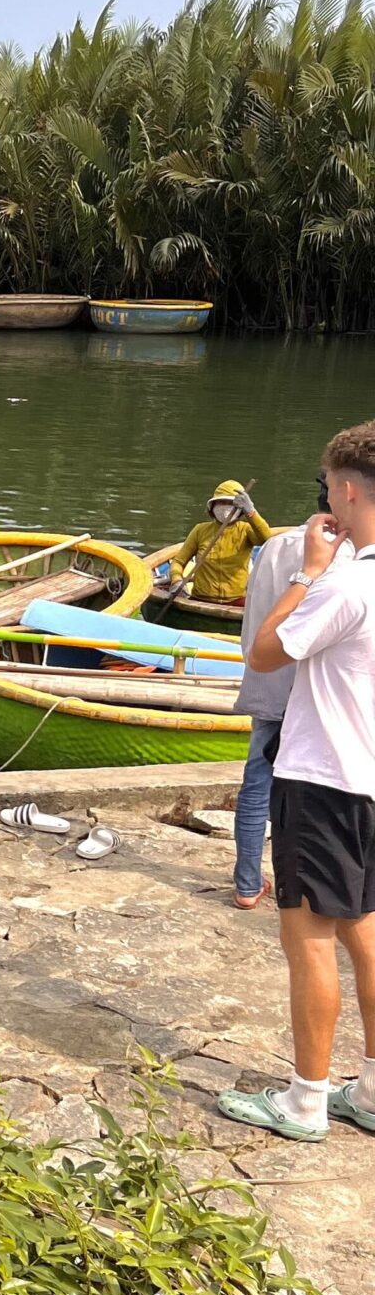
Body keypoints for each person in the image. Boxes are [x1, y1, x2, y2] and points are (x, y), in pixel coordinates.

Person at [218, 425, 375, 1143]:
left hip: (324, 780)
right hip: (368, 780)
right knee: (364, 932)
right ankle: (369, 1089)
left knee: (308, 937)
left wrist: (307, 571)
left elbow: (265, 652)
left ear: (344, 491)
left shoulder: (347, 583)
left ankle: (305, 1100)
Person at [231, 487, 349, 908]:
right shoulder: (346, 557)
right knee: (321, 795)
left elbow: (254, 615)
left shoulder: (274, 546)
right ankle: (308, 887)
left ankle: (246, 883)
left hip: (268, 683)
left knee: (257, 784)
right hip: (315, 695)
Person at [167, 477, 271, 604]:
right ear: (212, 506)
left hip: (237, 599)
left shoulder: (246, 530)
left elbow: (266, 539)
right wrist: (177, 580)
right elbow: (178, 561)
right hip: (200, 598)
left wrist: (251, 513)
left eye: (231, 504)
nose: (226, 508)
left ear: (240, 509)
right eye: (221, 503)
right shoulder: (200, 530)